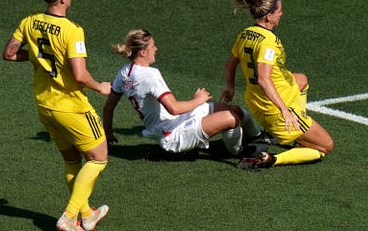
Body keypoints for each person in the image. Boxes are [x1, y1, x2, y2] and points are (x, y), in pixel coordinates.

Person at [2, 0, 111, 231]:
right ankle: (69, 217)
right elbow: (79, 75)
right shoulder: (72, 31)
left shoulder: (30, 21)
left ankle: (86, 214)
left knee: (72, 159)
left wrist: (37, 59)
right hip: (71, 107)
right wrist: (100, 87)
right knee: (99, 158)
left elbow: (10, 52)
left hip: (44, 105)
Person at [221, 0, 334, 169]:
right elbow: (264, 79)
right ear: (268, 16)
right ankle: (271, 159)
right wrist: (285, 111)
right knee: (325, 146)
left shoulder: (246, 33)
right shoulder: (269, 43)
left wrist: (230, 88)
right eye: (279, 11)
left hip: (255, 100)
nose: (281, 14)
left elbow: (230, 64)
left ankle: (287, 128)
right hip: (274, 108)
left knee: (301, 80)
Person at [103, 29, 261, 157]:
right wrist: (199, 99)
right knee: (230, 118)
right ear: (143, 52)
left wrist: (108, 134)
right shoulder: (150, 74)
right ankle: (239, 153)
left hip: (176, 121)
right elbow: (174, 108)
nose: (156, 49)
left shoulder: (124, 73)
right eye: (153, 46)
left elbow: (108, 108)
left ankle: (257, 136)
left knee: (235, 111)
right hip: (174, 135)